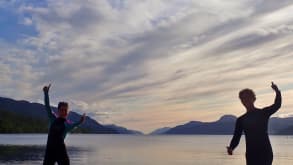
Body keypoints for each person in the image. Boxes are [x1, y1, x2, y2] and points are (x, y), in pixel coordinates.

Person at [227, 82, 281, 165]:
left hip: (265, 153)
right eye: (243, 99)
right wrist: (231, 147)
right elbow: (236, 137)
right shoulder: (241, 120)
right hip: (251, 154)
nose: (245, 100)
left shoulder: (263, 113)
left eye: (247, 98)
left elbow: (277, 105)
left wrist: (277, 91)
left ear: (253, 99)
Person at [43, 84, 86, 165]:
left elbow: (75, 124)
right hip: (50, 152)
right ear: (58, 110)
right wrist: (46, 93)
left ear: (67, 112)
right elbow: (47, 106)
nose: (63, 112)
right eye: (62, 110)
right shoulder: (52, 118)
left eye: (65, 110)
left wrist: (80, 121)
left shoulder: (67, 124)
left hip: (61, 152)